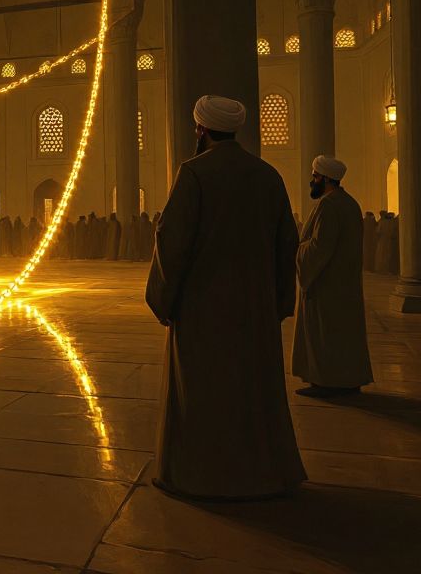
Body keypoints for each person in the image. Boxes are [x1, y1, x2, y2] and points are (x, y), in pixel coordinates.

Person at [145, 95, 304, 499]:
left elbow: (172, 241)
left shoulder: (194, 174)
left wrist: (163, 299)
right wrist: (280, 302)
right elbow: (288, 243)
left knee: (204, 393)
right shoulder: (268, 176)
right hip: (255, 308)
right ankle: (261, 474)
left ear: (201, 130)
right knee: (251, 392)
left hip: (204, 309)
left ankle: (200, 476)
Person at [293, 156, 373, 397]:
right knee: (345, 334)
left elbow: (319, 247)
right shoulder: (349, 203)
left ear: (327, 179)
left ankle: (326, 382)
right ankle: (347, 380)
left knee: (326, 334)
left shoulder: (329, 205)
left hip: (325, 283)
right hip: (344, 283)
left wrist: (298, 250)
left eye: (316, 177)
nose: (312, 181)